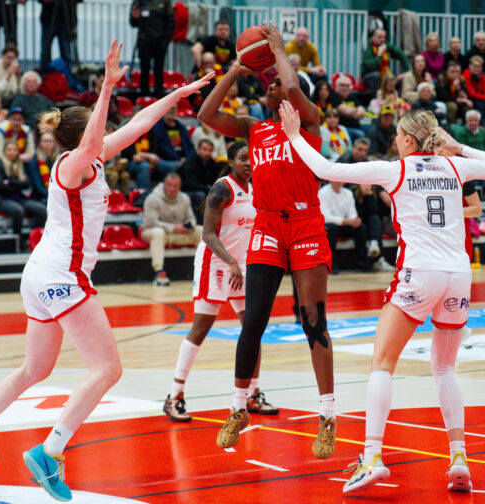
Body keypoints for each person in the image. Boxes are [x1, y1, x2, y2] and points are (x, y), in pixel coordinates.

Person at [0, 41, 213, 502]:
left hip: (41, 273)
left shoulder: (94, 155)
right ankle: (49, 451)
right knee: (108, 369)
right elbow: (92, 140)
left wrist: (178, 93)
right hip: (60, 276)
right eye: (97, 126)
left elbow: (139, 123)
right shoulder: (72, 164)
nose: (104, 131)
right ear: (85, 131)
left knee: (35, 368)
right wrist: (107, 86)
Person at [278, 101, 485, 494]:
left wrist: (293, 136)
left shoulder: (395, 169)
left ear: (407, 140)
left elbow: (325, 169)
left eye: (399, 136)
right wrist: (459, 147)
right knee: (445, 369)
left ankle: (371, 457)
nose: (396, 141)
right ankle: (458, 457)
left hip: (420, 272)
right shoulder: (455, 166)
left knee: (382, 365)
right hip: (458, 276)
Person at [198, 22, 337, 459]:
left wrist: (279, 51)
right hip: (268, 227)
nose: (269, 87)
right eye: (269, 82)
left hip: (306, 225)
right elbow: (206, 116)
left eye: (273, 84)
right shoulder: (254, 129)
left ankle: (327, 417)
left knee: (312, 319)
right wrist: (233, 71)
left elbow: (292, 87)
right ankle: (238, 407)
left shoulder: (309, 122)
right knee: (253, 320)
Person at [164, 141, 279, 421]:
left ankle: (252, 394)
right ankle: (174, 395)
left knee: (252, 329)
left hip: (243, 266)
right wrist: (230, 262)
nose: (248, 163)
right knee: (200, 329)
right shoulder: (222, 188)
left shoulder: (256, 188)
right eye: (242, 158)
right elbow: (208, 234)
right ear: (230, 162)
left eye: (252, 158)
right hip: (216, 263)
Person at [142, 172, 203, 285]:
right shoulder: (152, 198)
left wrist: (190, 226)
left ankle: (204, 269)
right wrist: (173, 228)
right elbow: (152, 223)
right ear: (164, 184)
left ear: (179, 187)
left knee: (201, 230)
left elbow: (192, 219)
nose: (172, 189)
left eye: (175, 186)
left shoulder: (184, 198)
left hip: (178, 233)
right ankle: (159, 271)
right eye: (169, 185)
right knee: (158, 232)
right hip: (153, 232)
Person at [0, 140, 47, 240]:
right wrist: (18, 183)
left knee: (42, 209)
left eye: (14, 150)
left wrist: (10, 182)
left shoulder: (20, 164)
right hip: (2, 199)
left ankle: (32, 238)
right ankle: (18, 240)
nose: (12, 152)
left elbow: (27, 183)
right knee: (18, 210)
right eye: (9, 150)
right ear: (4, 151)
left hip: (18, 198)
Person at [320, 180, 366, 273]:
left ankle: (361, 262)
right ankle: (331, 263)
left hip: (344, 224)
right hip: (330, 225)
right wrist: (346, 221)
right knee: (331, 228)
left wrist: (354, 220)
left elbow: (352, 213)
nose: (338, 182)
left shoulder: (348, 193)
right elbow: (325, 217)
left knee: (361, 227)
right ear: (330, 180)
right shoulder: (323, 192)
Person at [130, 0, 174, 97]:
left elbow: (170, 23)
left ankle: (159, 95)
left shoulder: (165, 1)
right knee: (144, 68)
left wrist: (165, 41)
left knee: (159, 68)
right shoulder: (138, 1)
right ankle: (144, 95)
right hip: (144, 40)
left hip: (160, 40)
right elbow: (133, 23)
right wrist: (135, 17)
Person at [177, 138, 220, 222]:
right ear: (197, 150)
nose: (207, 153)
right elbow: (191, 184)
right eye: (204, 149)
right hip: (185, 190)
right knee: (200, 195)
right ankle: (202, 222)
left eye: (210, 150)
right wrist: (208, 189)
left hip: (203, 189)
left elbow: (215, 179)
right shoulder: (190, 163)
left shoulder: (211, 162)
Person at [151, 105, 194, 179]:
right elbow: (162, 149)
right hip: (164, 160)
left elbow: (190, 146)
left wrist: (188, 159)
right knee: (177, 166)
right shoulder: (157, 127)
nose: (171, 111)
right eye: (169, 108)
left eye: (173, 108)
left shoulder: (181, 127)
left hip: (183, 160)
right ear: (164, 110)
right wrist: (179, 159)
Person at [39, 0, 79, 73]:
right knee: (45, 51)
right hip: (48, 18)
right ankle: (44, 74)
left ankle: (67, 75)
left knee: (66, 51)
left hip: (66, 19)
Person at [435, 61, 472, 125]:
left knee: (467, 106)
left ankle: (465, 126)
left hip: (456, 101)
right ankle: (451, 126)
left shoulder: (461, 79)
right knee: (453, 106)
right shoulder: (441, 79)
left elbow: (465, 96)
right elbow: (445, 98)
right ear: (447, 71)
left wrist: (458, 88)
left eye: (458, 72)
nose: (455, 74)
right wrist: (463, 100)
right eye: (453, 72)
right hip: (444, 102)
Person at [26, 131, 59, 202]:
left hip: (55, 194)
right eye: (45, 141)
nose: (48, 143)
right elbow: (38, 187)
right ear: (40, 143)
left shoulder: (57, 159)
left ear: (54, 143)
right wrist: (54, 198)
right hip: (40, 197)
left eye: (50, 141)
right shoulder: (34, 161)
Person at [332, 74, 366, 141]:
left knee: (371, 129)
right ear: (336, 85)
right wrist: (356, 110)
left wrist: (351, 111)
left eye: (348, 85)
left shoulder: (352, 97)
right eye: (342, 85)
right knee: (360, 134)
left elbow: (363, 113)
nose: (345, 88)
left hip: (357, 126)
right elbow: (345, 112)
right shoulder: (334, 96)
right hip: (343, 128)